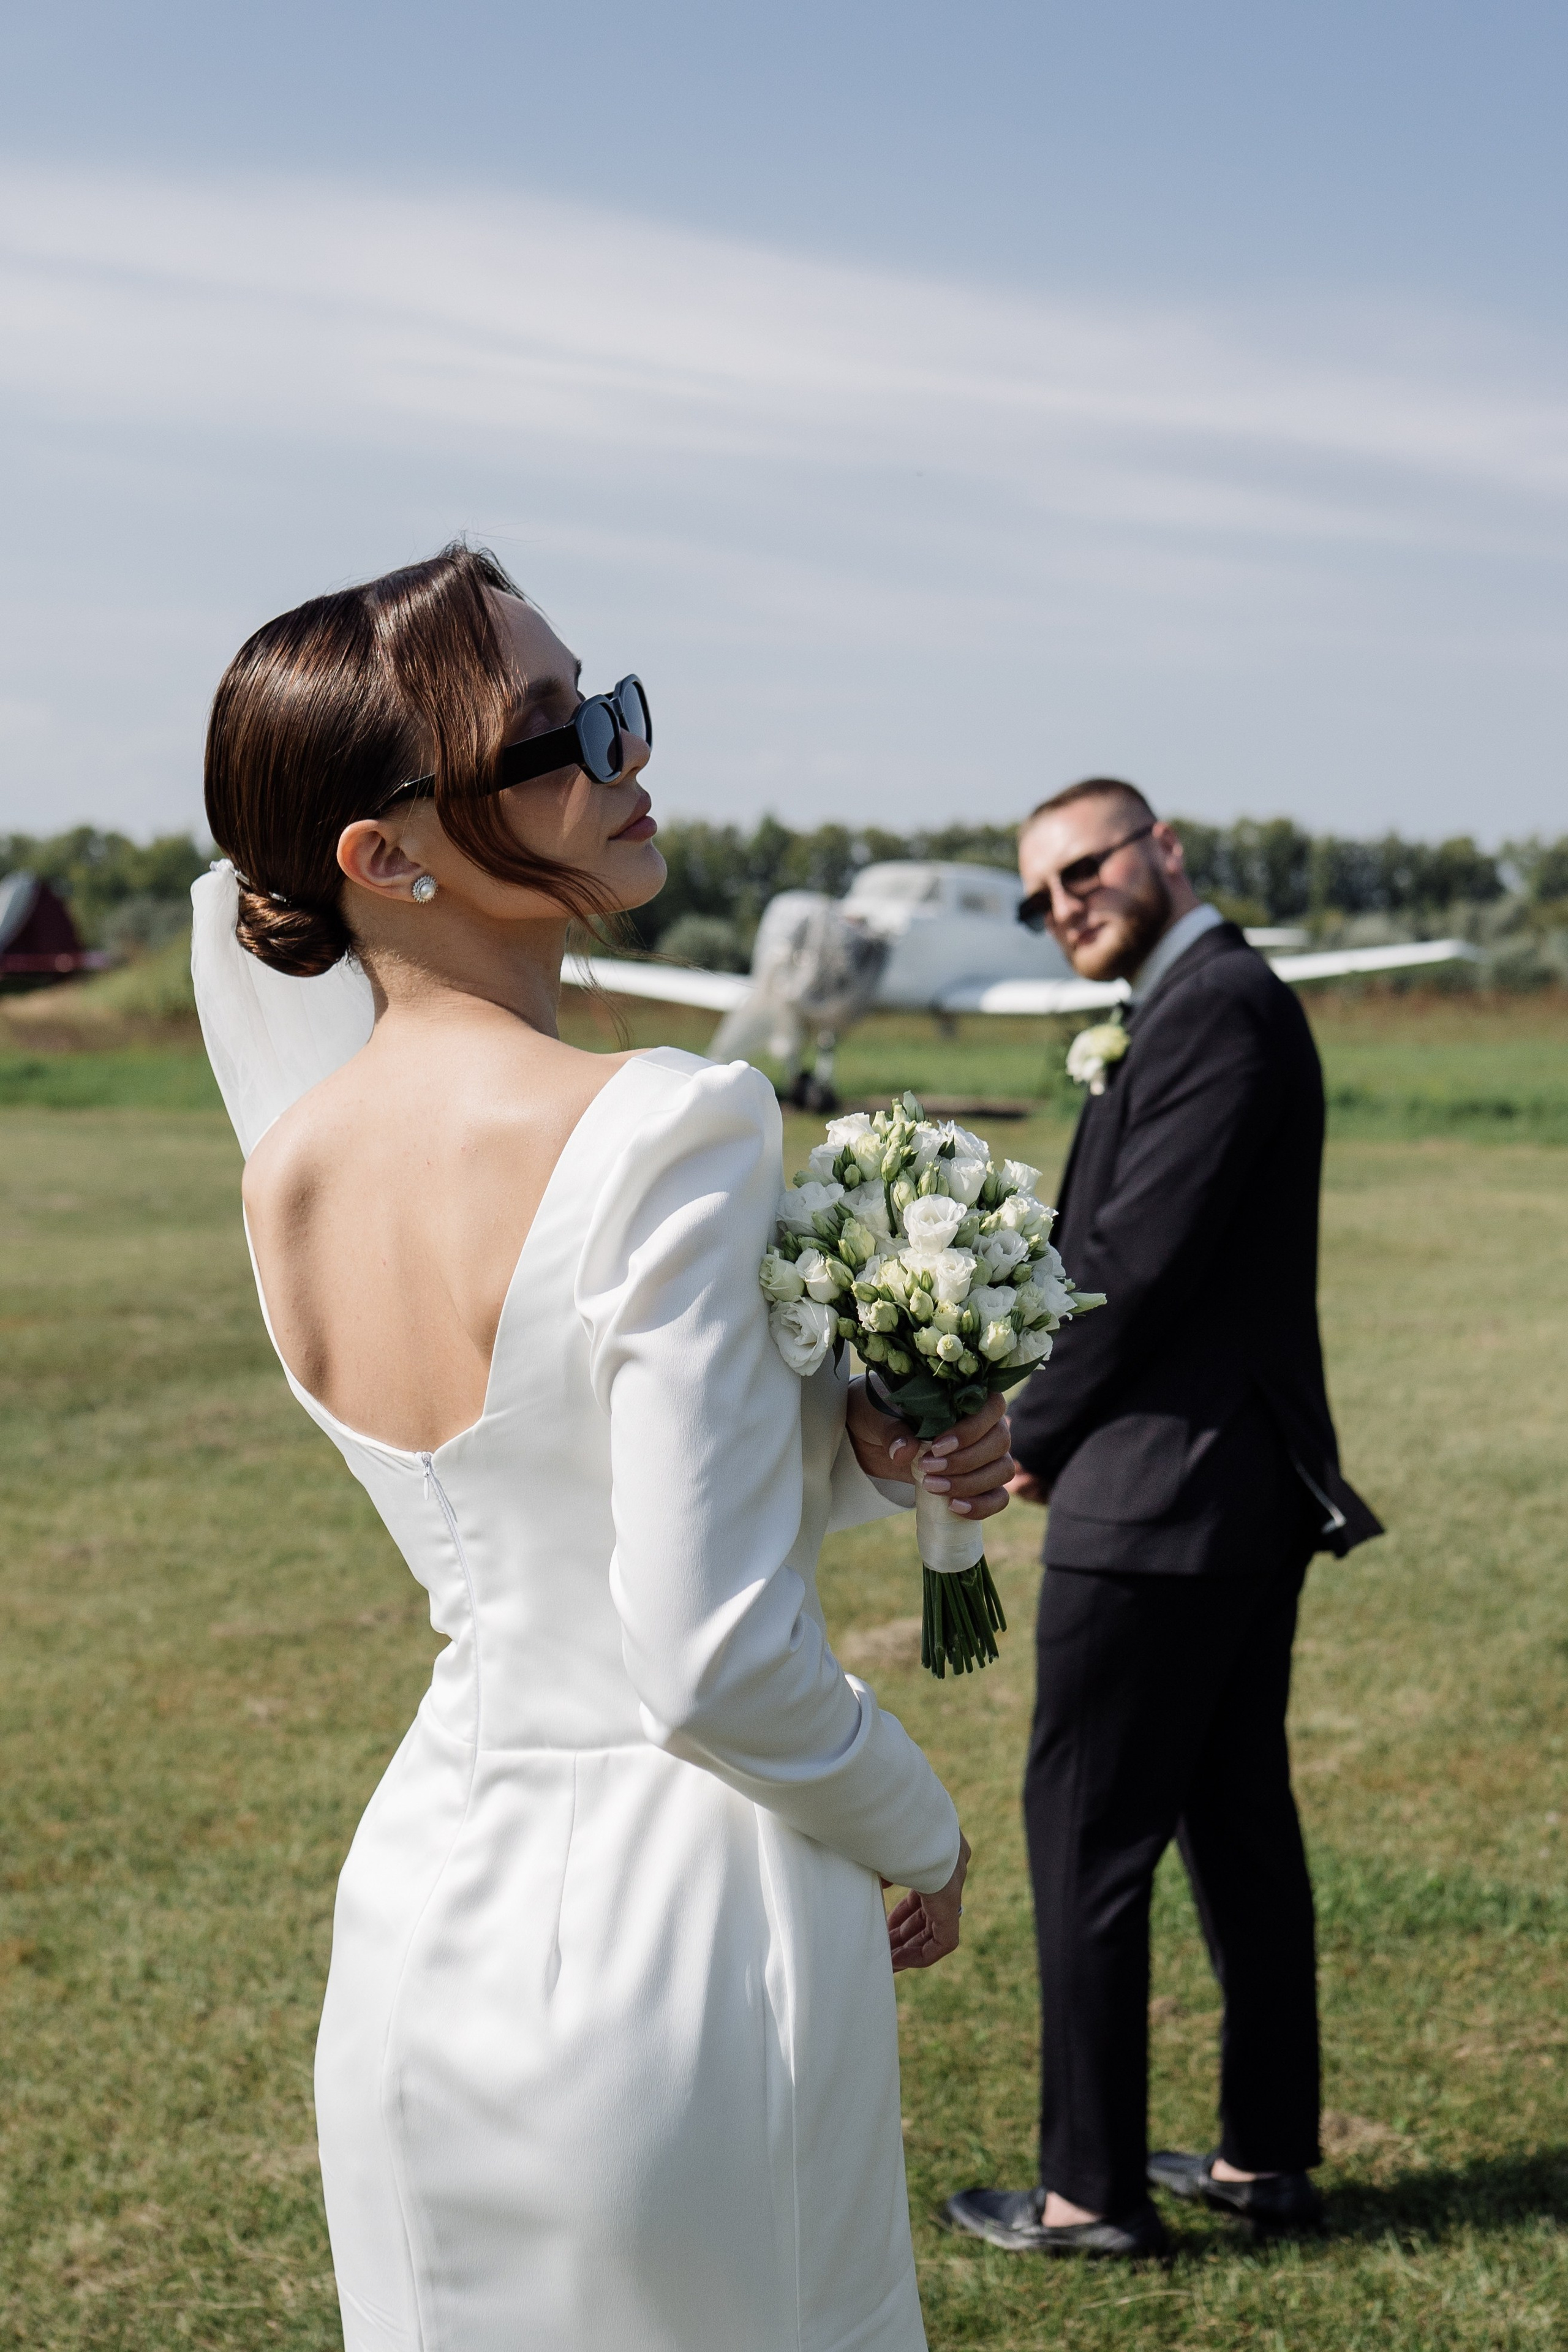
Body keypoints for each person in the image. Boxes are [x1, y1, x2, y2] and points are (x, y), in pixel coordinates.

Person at [190, 543, 1017, 2352]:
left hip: (425, 1925)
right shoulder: (675, 1123)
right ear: (383, 855)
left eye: (616, 704)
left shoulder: (290, 1167)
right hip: (687, 1933)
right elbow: (711, 1662)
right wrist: (924, 1828)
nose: (627, 753)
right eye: (553, 735)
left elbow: (540, 1498)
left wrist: (861, 1444)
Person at [942, 778, 1381, 2261]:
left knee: (1083, 1840)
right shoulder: (1190, 1003)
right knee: (1233, 1825)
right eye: (1036, 892)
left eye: (1084, 868)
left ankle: (1086, 2196)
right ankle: (1262, 2162)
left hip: (1164, 1494)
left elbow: (1132, 1264)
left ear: (1162, 849)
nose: (1063, 901)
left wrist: (1027, 1426)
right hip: (1220, 1490)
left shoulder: (1214, 1011)